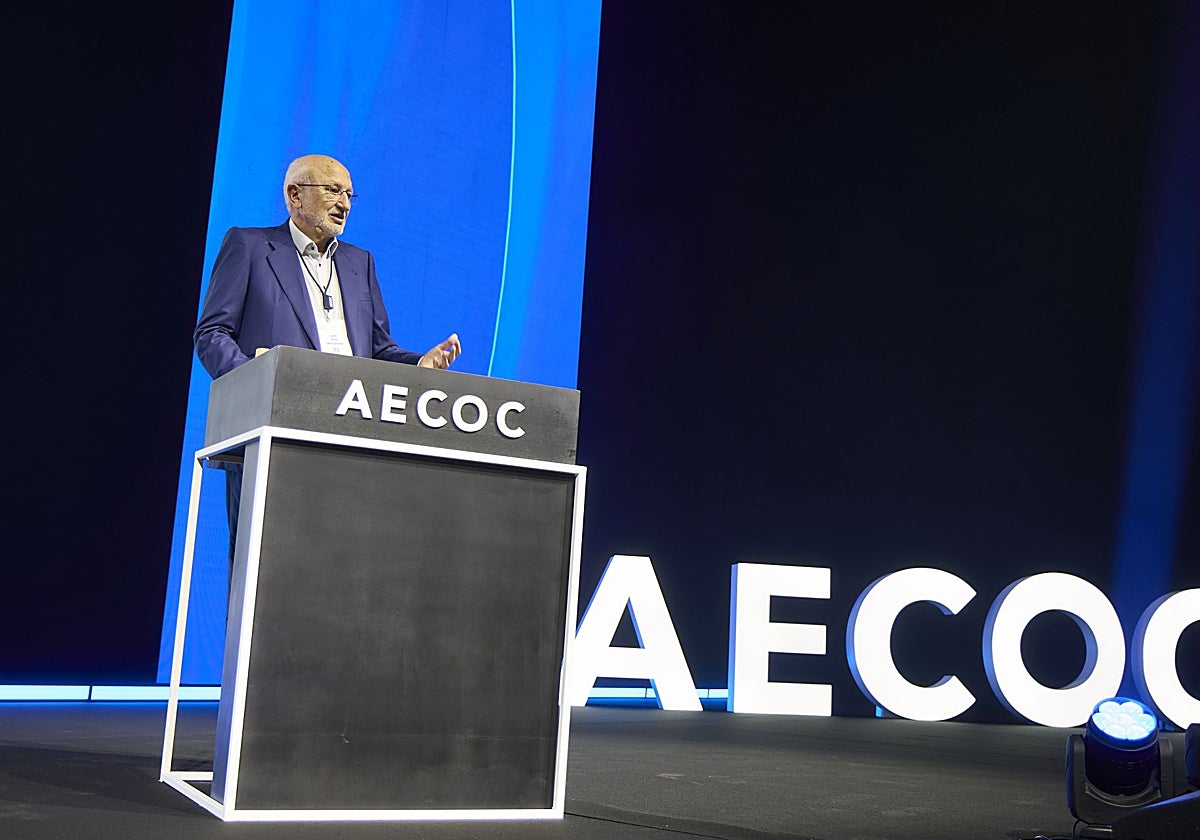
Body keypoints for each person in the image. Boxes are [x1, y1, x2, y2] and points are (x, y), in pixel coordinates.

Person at [194, 154, 462, 574]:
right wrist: (256, 386)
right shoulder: (250, 247)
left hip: (350, 433)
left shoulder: (360, 263)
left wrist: (419, 365)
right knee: (263, 567)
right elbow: (212, 334)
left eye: (349, 194)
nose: (345, 203)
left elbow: (379, 350)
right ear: (294, 195)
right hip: (275, 430)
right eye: (333, 190)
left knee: (337, 568)